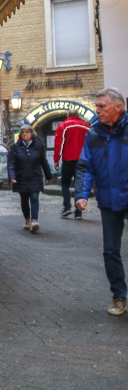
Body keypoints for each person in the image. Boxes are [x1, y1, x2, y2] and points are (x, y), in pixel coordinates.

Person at [75, 88, 128, 316]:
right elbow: (85, 167)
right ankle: (119, 298)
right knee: (110, 251)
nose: (97, 111)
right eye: (97, 106)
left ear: (118, 107)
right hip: (109, 199)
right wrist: (81, 194)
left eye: (102, 107)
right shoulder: (93, 133)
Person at [8, 125, 53, 233]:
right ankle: (27, 219)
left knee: (34, 197)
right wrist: (12, 176)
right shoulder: (15, 147)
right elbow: (11, 163)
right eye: (23, 132)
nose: (24, 134)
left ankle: (34, 221)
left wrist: (48, 176)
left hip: (35, 176)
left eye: (27, 132)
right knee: (24, 200)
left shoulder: (38, 145)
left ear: (31, 133)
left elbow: (43, 161)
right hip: (21, 176)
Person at [53, 108, 90, 219]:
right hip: (83, 159)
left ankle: (67, 207)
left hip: (69, 158)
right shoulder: (86, 127)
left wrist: (56, 159)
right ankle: (78, 212)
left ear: (68, 115)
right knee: (79, 183)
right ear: (78, 115)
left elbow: (59, 143)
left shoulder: (64, 126)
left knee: (65, 183)